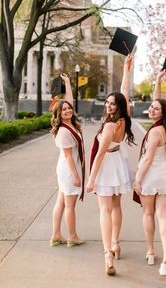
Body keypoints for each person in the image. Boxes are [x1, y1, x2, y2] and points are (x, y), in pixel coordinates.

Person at [86, 54, 135, 276]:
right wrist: (126, 68)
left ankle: (107, 253)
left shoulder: (109, 126)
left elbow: (99, 155)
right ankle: (115, 243)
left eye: (111, 104)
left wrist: (91, 179)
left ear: (117, 107)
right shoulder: (125, 119)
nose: (107, 106)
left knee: (105, 210)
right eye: (107, 102)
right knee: (116, 207)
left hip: (107, 166)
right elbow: (124, 93)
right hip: (118, 164)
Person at [134, 70, 166, 276]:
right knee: (164, 216)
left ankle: (151, 251)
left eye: (155, 108)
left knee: (148, 213)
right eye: (151, 107)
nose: (151, 109)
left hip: (150, 175)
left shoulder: (154, 133)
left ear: (161, 113)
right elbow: (159, 101)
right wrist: (158, 81)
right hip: (165, 174)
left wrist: (137, 179)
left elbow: (148, 159)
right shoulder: (165, 128)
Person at [50, 74, 86, 248]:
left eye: (68, 109)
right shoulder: (64, 131)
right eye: (63, 110)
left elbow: (69, 101)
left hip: (66, 168)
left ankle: (56, 235)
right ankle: (72, 237)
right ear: (58, 114)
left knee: (61, 202)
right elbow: (68, 156)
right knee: (69, 205)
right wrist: (76, 176)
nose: (68, 111)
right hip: (68, 170)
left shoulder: (70, 123)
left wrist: (67, 83)